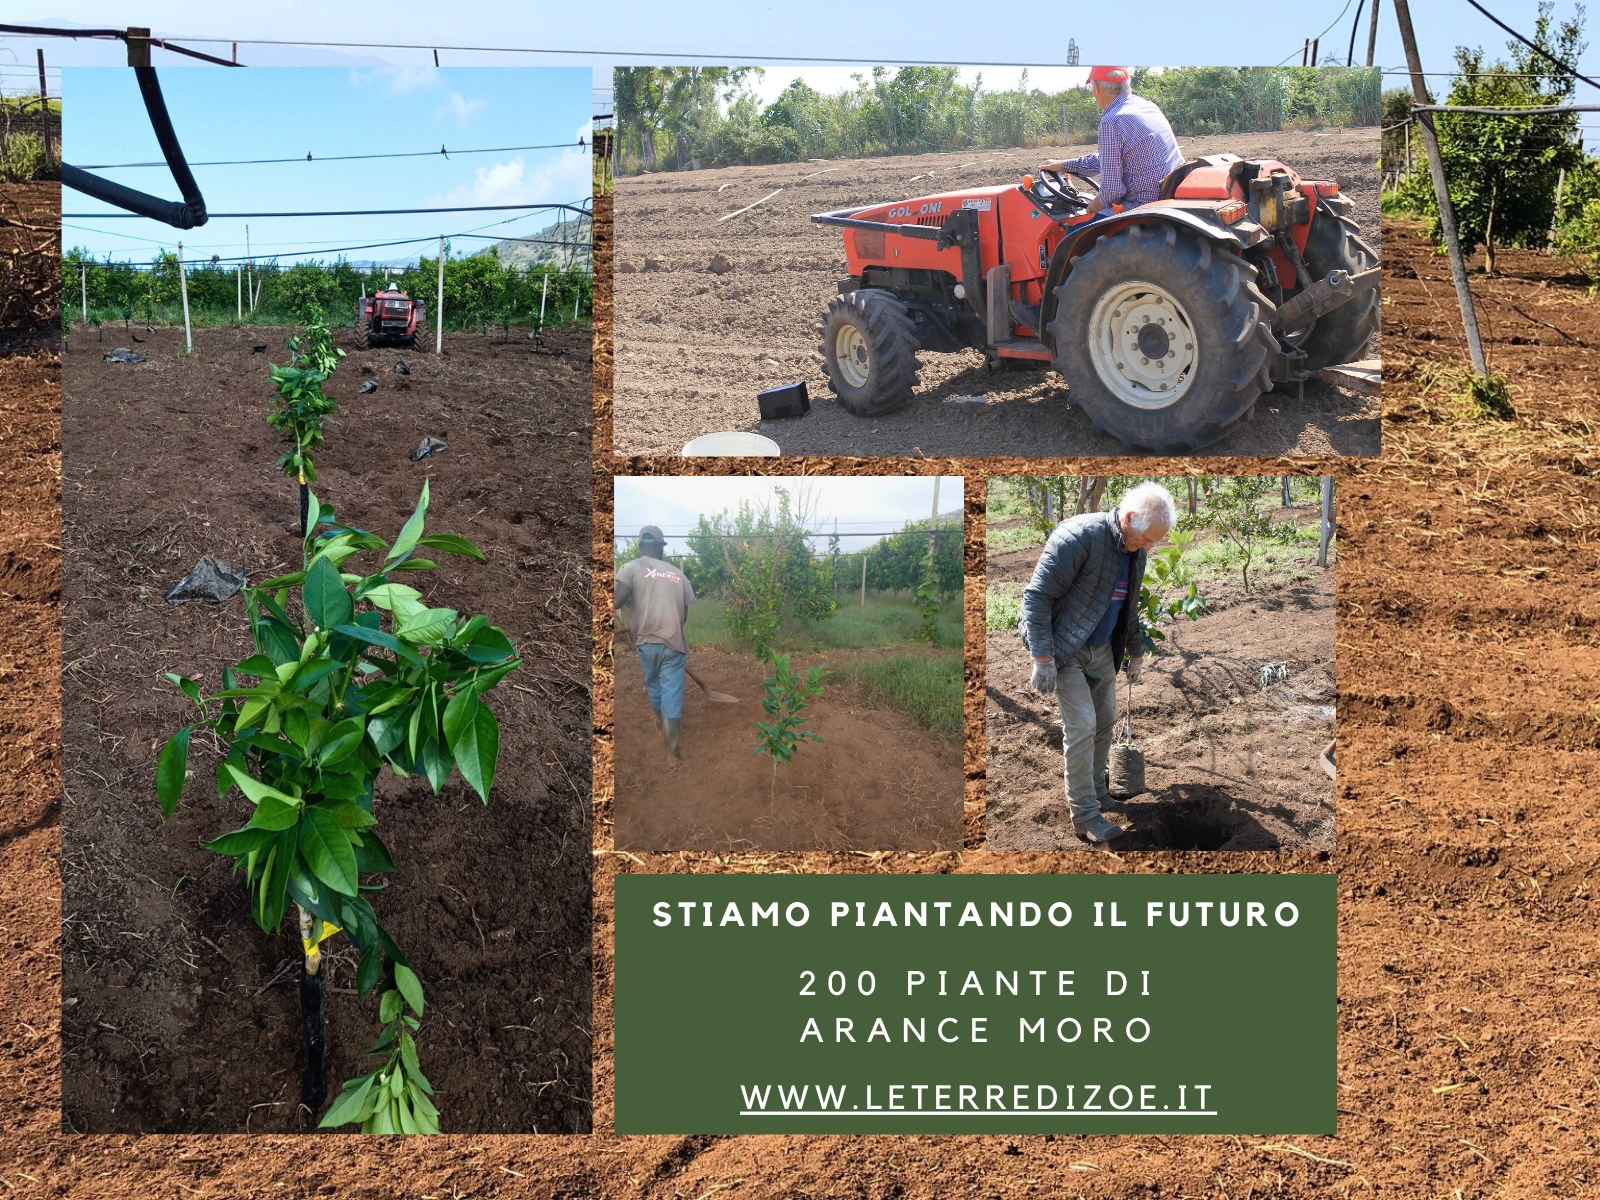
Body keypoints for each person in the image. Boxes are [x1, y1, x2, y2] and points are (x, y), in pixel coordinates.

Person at [1018, 482, 1177, 843]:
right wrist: (1043, 658)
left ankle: (1096, 790)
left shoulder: (1136, 551)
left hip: (1102, 647)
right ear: (1129, 518)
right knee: (1083, 725)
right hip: (1064, 648)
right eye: (1147, 539)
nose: (1150, 547)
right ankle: (1085, 814)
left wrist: (1136, 652)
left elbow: (1129, 609)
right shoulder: (1078, 537)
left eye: (1155, 541)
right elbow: (1036, 598)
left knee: (1106, 719)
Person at [1038, 66, 1184, 218]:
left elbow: (1112, 192)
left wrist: (1099, 202)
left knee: (1074, 234)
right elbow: (1110, 159)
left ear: (1097, 88)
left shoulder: (1112, 120)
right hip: (1170, 192)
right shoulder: (1148, 107)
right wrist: (1064, 165)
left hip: (1142, 205)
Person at [615, 526, 697, 763]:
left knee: (655, 686)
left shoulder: (631, 568)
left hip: (646, 644)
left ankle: (659, 723)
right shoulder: (678, 575)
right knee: (672, 692)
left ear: (641, 546)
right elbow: (684, 616)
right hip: (673, 644)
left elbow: (618, 601)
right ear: (661, 547)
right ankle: (672, 751)